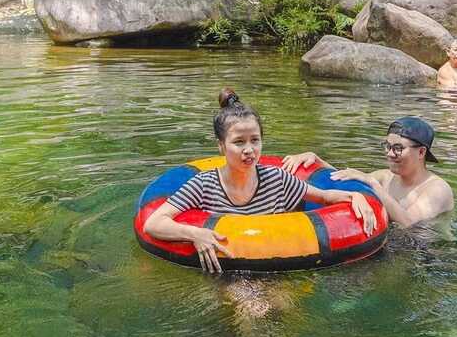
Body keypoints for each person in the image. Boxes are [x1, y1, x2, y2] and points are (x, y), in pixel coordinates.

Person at [143, 87, 378, 273]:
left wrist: (354, 195)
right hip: (229, 272)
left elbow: (324, 197)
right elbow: (153, 224)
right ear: (221, 146)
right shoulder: (204, 184)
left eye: (255, 140)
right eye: (239, 142)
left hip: (276, 268)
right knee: (253, 312)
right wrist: (195, 234)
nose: (249, 150)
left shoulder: (276, 178)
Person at [282, 117, 454, 228]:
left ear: (422, 152)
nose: (389, 153)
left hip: (430, 254)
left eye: (398, 148)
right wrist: (317, 161)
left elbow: (408, 223)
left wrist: (372, 184)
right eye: (387, 146)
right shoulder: (386, 177)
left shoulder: (436, 188)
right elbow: (348, 182)